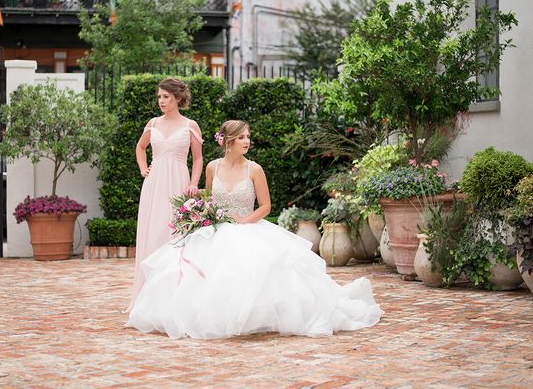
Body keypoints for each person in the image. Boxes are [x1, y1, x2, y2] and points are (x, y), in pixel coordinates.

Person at [126, 120, 383, 339]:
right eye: (241, 137)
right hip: (217, 228)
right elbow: (209, 196)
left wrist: (245, 220)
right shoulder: (213, 167)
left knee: (253, 272)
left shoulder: (255, 169)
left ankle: (253, 317)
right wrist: (198, 210)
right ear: (227, 142)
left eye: (247, 137)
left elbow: (266, 206)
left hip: (248, 227)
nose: (246, 141)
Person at [129, 78, 204, 310]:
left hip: (178, 183)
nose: (161, 101)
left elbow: (198, 158)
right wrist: (144, 168)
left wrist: (193, 183)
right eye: (159, 97)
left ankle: (175, 296)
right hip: (155, 184)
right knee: (153, 233)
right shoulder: (152, 124)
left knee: (175, 236)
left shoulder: (190, 125)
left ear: (178, 98)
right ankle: (149, 297)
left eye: (166, 97)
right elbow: (140, 147)